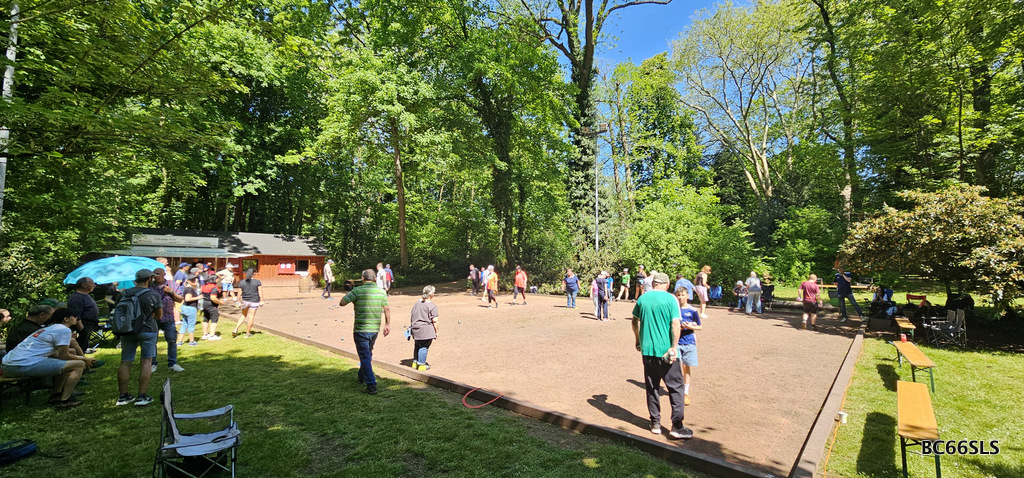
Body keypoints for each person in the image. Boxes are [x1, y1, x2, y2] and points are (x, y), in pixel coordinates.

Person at [631, 272, 691, 439]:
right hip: (666, 352)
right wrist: (674, 347)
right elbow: (675, 323)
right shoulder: (671, 299)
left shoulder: (642, 298)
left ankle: (655, 423)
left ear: (653, 283)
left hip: (647, 351)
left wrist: (638, 340)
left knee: (652, 387)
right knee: (676, 388)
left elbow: (634, 321)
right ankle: (677, 426)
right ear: (667, 284)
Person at [1, 309, 95, 408]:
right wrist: (84, 359)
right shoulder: (63, 330)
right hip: (20, 366)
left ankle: (56, 395)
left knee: (65, 363)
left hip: (8, 365)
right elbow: (64, 355)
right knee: (79, 365)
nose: (76, 318)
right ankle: (65, 401)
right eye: (74, 316)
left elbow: (58, 355)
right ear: (66, 319)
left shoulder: (49, 329)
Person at [115, 269, 163, 406]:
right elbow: (159, 315)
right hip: (147, 330)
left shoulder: (124, 293)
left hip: (127, 330)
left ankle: (123, 396)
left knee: (125, 362)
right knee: (146, 362)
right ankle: (142, 396)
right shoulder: (152, 295)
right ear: (149, 279)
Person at [340, 269, 391, 395]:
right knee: (367, 354)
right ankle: (361, 375)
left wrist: (349, 292)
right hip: (374, 329)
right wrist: (387, 324)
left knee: (365, 356)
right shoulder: (381, 292)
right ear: (375, 279)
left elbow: (342, 303)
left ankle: (371, 385)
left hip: (361, 329)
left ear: (363, 278)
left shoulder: (357, 291)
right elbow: (387, 308)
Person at [151, 270, 185, 373]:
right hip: (153, 318)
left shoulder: (172, 285)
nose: (156, 276)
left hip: (168, 317)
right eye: (154, 274)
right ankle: (152, 363)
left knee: (172, 341)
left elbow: (180, 299)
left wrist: (171, 292)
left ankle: (172, 363)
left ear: (164, 274)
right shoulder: (149, 286)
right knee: (152, 341)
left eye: (158, 274)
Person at [676, 288, 702, 406]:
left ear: (687, 296)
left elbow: (699, 326)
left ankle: (686, 392)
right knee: (675, 367)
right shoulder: (674, 309)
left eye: (682, 295)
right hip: (676, 342)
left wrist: (689, 327)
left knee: (686, 367)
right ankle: (677, 389)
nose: (680, 297)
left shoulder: (692, 310)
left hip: (689, 342)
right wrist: (679, 327)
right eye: (678, 295)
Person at [410, 285, 439, 370]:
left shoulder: (417, 303)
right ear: (431, 294)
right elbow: (435, 321)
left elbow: (412, 316)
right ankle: (421, 364)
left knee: (417, 345)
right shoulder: (432, 306)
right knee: (424, 346)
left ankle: (415, 362)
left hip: (415, 328)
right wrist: (436, 332)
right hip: (425, 330)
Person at [67, 277, 99, 353]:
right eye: (92, 283)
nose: (94, 285)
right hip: (82, 325)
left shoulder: (85, 295)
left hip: (89, 325)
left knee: (83, 346)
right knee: (79, 347)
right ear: (84, 285)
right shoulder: (77, 297)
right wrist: (82, 329)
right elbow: (75, 314)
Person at [233, 268, 264, 338]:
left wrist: (238, 300)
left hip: (245, 300)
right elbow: (260, 292)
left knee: (243, 315)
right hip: (254, 300)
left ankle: (236, 329)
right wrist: (261, 300)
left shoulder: (242, 282)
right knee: (251, 316)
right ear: (254, 273)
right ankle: (248, 333)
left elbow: (239, 292)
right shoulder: (257, 282)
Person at [179, 276, 200, 346]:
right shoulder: (190, 289)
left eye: (195, 280)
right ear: (188, 281)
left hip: (184, 307)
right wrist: (198, 297)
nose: (195, 282)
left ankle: (179, 341)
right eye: (193, 281)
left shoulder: (186, 288)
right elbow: (187, 299)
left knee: (184, 324)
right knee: (191, 324)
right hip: (190, 308)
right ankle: (191, 341)